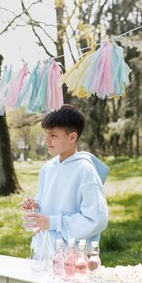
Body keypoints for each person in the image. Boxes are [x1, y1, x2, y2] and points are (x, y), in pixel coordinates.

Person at [22, 104, 109, 255]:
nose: (47, 140)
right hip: (43, 255)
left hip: (73, 260)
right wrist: (35, 207)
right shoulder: (47, 168)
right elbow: (48, 209)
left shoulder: (85, 170)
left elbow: (96, 219)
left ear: (72, 137)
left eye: (53, 135)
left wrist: (51, 222)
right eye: (47, 134)